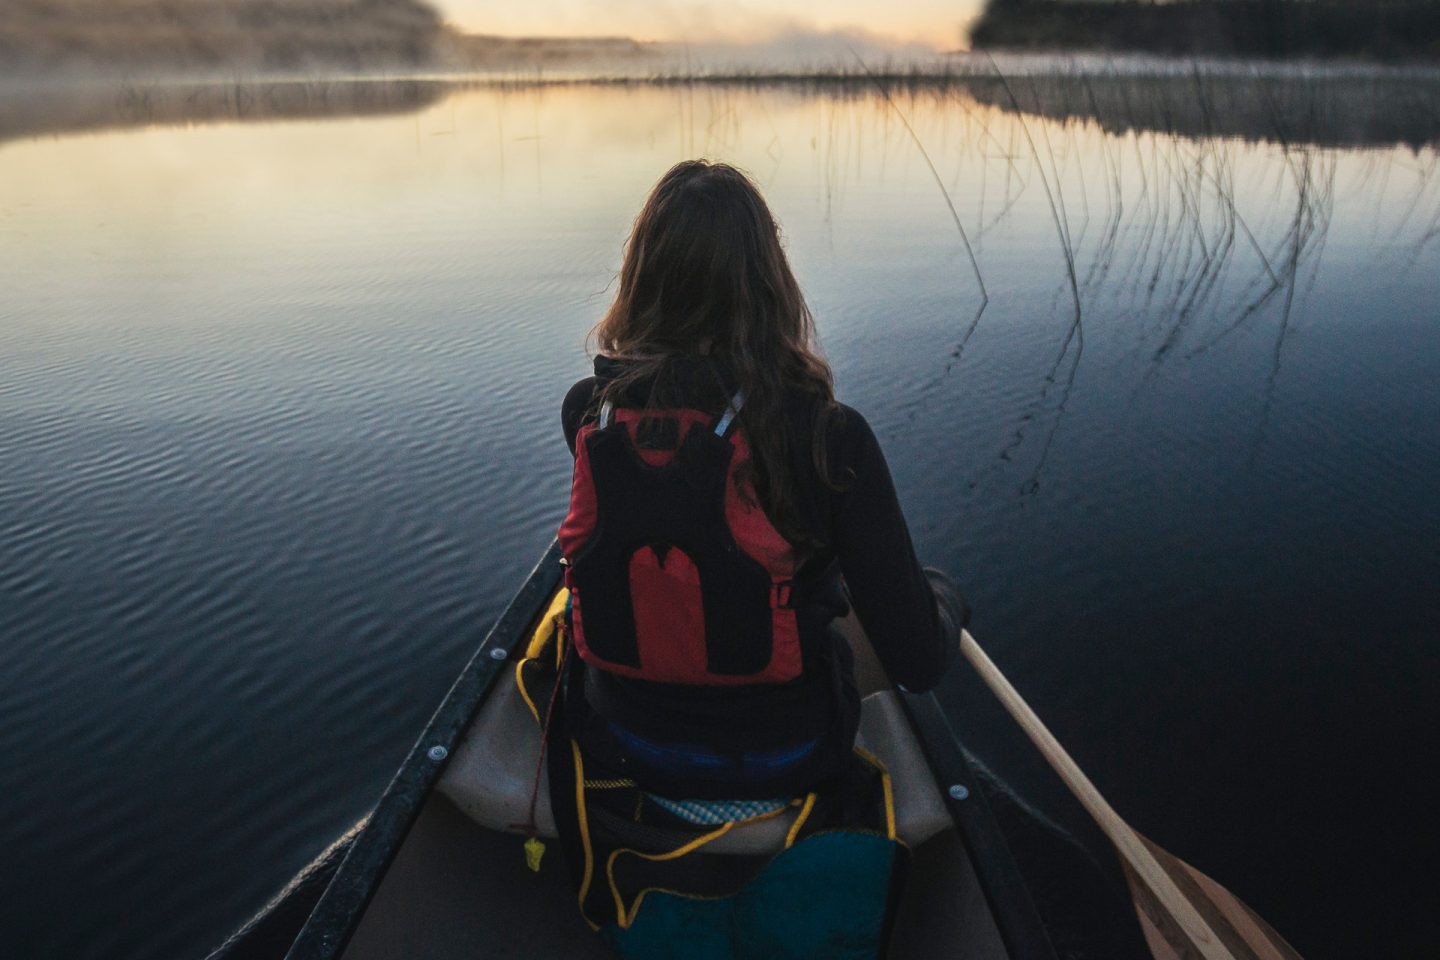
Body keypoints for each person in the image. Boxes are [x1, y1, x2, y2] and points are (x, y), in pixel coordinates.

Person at [548, 159, 968, 955]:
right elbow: (914, 661)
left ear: (640, 277)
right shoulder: (828, 435)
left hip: (623, 749)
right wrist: (946, 602)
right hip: (790, 757)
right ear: (771, 280)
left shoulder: (587, 413)